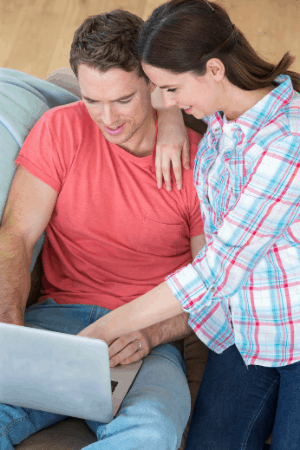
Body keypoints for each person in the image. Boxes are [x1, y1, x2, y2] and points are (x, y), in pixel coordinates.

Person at [78, 1, 300, 449]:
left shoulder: (287, 142)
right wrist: (171, 119)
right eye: (161, 89)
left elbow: (217, 270)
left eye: (173, 90)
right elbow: (156, 91)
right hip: (242, 333)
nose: (166, 99)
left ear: (214, 69)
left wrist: (99, 332)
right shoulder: (221, 110)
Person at [0, 9, 206, 450]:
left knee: (151, 433)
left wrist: (151, 334)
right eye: (93, 100)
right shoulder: (60, 129)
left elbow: (211, 281)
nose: (107, 118)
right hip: (55, 323)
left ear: (153, 83)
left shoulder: (202, 163)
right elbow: (16, 237)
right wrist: (11, 332)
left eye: (123, 100)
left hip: (144, 342)